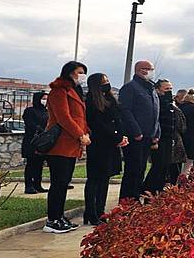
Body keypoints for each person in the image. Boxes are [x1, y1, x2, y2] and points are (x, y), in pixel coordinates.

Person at [43, 61, 90, 233]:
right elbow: (64, 117)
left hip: (71, 144)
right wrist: (80, 134)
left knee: (63, 183)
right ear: (69, 72)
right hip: (61, 144)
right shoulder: (58, 91)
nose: (82, 75)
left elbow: (80, 117)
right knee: (59, 183)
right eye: (79, 72)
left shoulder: (74, 90)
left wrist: (86, 133)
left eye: (84, 72)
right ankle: (52, 220)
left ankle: (59, 216)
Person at [84, 73, 129, 226]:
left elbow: (117, 119)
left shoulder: (110, 99)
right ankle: (91, 212)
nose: (107, 84)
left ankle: (100, 210)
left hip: (112, 144)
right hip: (99, 144)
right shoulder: (91, 101)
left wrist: (121, 136)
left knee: (105, 179)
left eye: (108, 81)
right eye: (104, 82)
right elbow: (99, 124)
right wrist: (116, 138)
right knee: (95, 179)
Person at [119, 60, 160, 201]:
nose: (151, 72)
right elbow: (125, 111)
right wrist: (136, 132)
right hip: (136, 137)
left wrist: (156, 134)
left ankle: (135, 198)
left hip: (148, 136)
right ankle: (127, 201)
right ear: (140, 70)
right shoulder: (130, 88)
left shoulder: (151, 89)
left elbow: (156, 113)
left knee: (141, 170)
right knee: (133, 170)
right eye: (149, 69)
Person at [144, 79, 186, 192]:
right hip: (159, 139)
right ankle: (148, 191)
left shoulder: (170, 104)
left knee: (164, 167)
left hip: (169, 139)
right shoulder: (157, 103)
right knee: (158, 166)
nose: (169, 91)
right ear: (158, 90)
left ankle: (157, 190)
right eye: (166, 89)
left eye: (171, 89)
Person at [22, 91, 49, 194]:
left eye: (46, 99)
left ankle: (38, 185)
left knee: (39, 164)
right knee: (31, 164)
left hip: (42, 142)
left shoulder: (46, 111)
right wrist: (40, 129)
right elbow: (29, 123)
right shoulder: (30, 111)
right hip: (31, 141)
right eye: (43, 98)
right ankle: (28, 186)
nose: (45, 101)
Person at [178, 93, 194, 175]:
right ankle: (187, 177)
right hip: (192, 137)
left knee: (179, 159)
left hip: (181, 136)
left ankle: (177, 177)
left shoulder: (179, 108)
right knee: (191, 159)